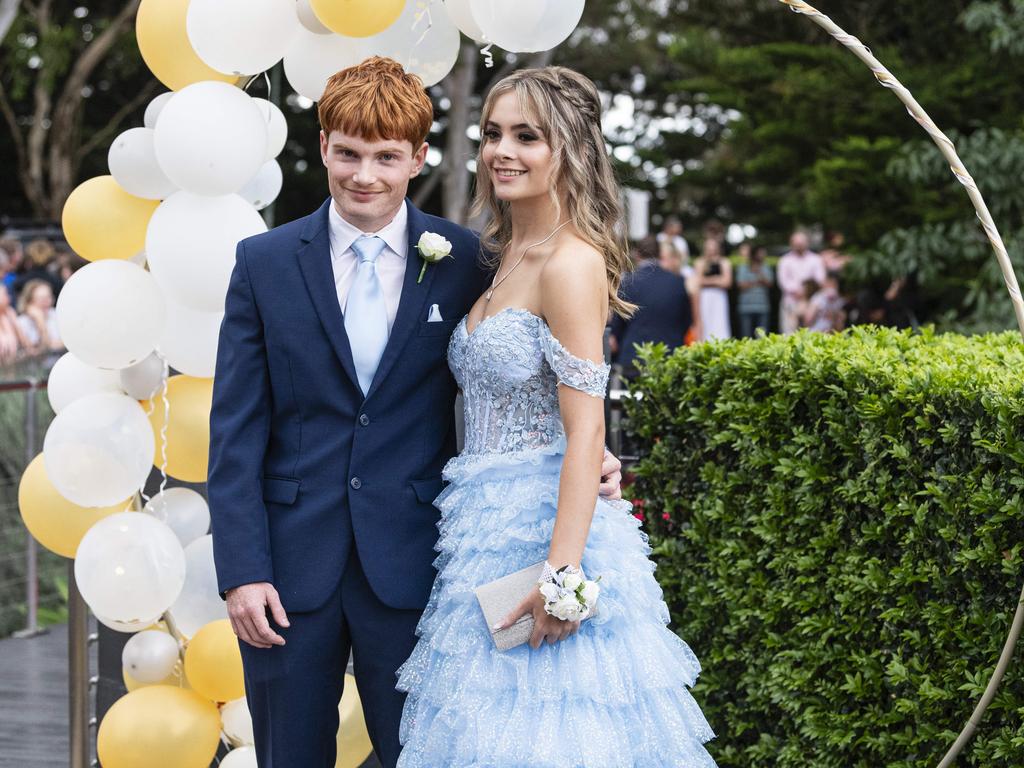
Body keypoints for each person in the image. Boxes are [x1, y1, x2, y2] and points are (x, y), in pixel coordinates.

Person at [207, 58, 623, 768]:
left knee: (424, 755)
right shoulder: (264, 263)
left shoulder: (470, 260)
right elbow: (235, 430)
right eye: (347, 153)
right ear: (323, 148)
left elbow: (522, 366)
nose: (364, 175)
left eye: (385, 157)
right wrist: (242, 569)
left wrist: (587, 449)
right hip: (286, 574)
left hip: (419, 567)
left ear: (418, 158)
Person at [395, 66, 716, 767]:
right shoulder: (499, 256)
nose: (501, 151)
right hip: (475, 530)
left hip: (548, 528)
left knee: (553, 736)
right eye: (492, 135)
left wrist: (562, 580)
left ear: (567, 148)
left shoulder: (571, 263)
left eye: (526, 136)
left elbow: (586, 430)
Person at [608, 235, 693, 377]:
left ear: (637, 254)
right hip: (670, 356)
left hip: (634, 357)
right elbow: (687, 320)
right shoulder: (678, 282)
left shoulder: (629, 282)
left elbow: (618, 323)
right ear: (660, 254)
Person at [777, 230, 825, 335]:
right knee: (789, 333)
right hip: (791, 301)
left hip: (812, 302)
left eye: (801, 244)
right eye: (796, 244)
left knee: (813, 333)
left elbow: (820, 279)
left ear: (807, 243)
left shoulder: (816, 259)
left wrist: (806, 292)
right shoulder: (785, 260)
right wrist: (798, 291)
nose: (799, 246)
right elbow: (783, 281)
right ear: (791, 244)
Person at [694, 237, 732, 340]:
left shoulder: (724, 262)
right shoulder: (700, 262)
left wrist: (707, 280)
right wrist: (716, 280)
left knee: (719, 322)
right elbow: (698, 281)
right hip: (704, 298)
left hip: (719, 298)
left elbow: (727, 282)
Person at [735, 243, 773, 338]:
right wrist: (758, 282)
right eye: (760, 253)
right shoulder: (743, 267)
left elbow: (769, 283)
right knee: (746, 337)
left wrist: (759, 274)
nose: (762, 256)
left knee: (762, 337)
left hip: (763, 307)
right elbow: (741, 285)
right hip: (745, 308)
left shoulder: (766, 267)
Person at [16, 278, 62, 353]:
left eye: (49, 297)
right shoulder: (22, 322)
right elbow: (38, 351)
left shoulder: (55, 314)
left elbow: (66, 342)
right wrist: (40, 320)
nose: (46, 302)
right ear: (29, 301)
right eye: (41, 299)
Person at [0, 283, 30, 363]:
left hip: (14, 362)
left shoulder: (9, 312)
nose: (9, 297)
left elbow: (25, 343)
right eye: (5, 294)